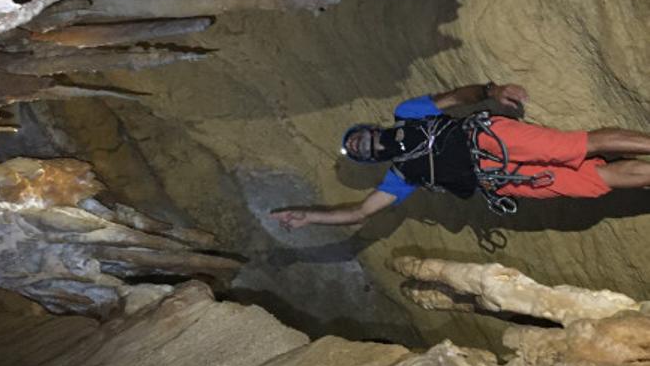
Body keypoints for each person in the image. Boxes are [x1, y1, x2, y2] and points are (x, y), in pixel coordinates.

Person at [271, 82, 650, 230]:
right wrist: (310, 217)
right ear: (371, 161)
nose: (360, 146)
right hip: (499, 179)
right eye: (357, 152)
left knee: (576, 146)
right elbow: (359, 212)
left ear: (370, 129)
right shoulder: (400, 178)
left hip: (489, 139)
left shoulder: (406, 114)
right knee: (595, 182)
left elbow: (455, 99)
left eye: (357, 139)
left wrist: (490, 90)